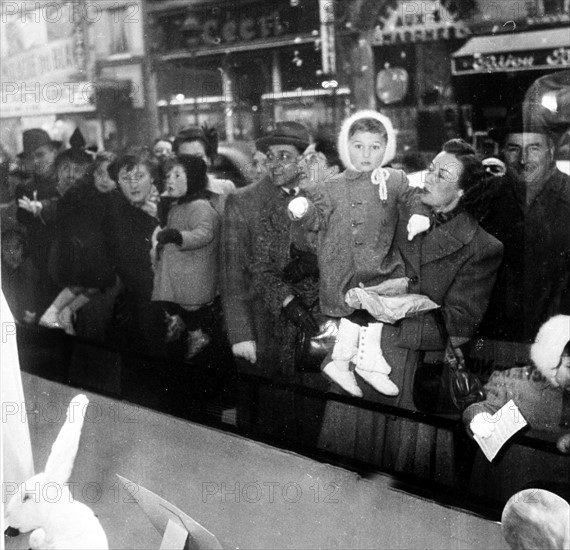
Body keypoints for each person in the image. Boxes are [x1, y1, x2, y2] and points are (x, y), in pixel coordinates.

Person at [318, 139, 503, 485]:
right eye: (431, 168)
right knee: (343, 481)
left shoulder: (482, 247)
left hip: (412, 376)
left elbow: (460, 325)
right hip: (361, 363)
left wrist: (391, 317)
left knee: (400, 490)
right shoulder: (403, 212)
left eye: (443, 174)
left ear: (463, 192)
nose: (429, 178)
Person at [288, 110, 431, 397]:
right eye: (358, 146)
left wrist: (419, 215)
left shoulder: (394, 179)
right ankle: (356, 362)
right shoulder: (331, 186)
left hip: (381, 264)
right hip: (344, 266)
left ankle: (356, 361)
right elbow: (316, 220)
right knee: (359, 310)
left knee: (377, 305)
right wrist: (303, 212)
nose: (366, 154)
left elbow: (415, 196)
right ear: (347, 147)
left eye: (375, 147)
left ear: (386, 149)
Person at [220, 121, 316, 436]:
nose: (275, 164)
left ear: (305, 158)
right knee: (265, 421)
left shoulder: (318, 198)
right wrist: (240, 334)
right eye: (271, 155)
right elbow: (232, 272)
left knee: (308, 416)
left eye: (285, 156)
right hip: (262, 328)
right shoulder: (243, 201)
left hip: (309, 329)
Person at [478, 107, 570, 343]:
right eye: (513, 148)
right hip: (497, 339)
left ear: (551, 151)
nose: (523, 159)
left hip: (559, 341)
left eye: (534, 148)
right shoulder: (484, 198)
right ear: (502, 152)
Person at [464, 315, 570, 502]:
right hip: (510, 485)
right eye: (569, 367)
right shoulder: (514, 380)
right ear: (550, 360)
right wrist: (479, 418)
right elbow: (484, 407)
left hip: (555, 496)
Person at [38, 151, 117, 335]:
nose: (104, 179)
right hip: (75, 250)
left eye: (110, 175)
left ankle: (67, 310)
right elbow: (65, 215)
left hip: (92, 251)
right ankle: (52, 312)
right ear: (92, 173)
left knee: (97, 284)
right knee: (85, 280)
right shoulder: (83, 193)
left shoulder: (111, 197)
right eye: (99, 173)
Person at [151, 155, 220, 361]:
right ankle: (178, 322)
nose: (169, 180)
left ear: (194, 179)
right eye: (168, 175)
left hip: (194, 271)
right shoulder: (177, 206)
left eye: (177, 175)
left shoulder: (200, 206)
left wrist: (179, 237)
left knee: (192, 308)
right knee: (173, 302)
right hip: (179, 269)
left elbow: (205, 233)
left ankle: (197, 337)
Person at [14, 129, 61, 310]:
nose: (35, 161)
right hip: (41, 267)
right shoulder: (24, 188)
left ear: (53, 152)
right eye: (30, 158)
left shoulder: (67, 181)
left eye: (40, 154)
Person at [173, 125, 235, 214]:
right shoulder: (171, 196)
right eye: (185, 158)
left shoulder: (226, 189)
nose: (193, 163)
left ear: (208, 158)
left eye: (198, 157)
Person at [1, 229, 39, 323]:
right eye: (6, 249)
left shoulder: (28, 269)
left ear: (23, 248)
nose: (12, 254)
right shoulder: (3, 273)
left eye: (16, 248)